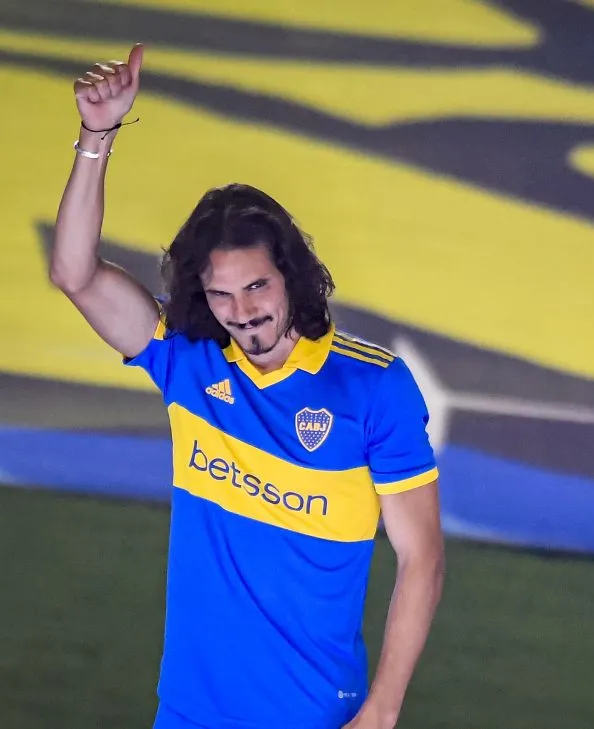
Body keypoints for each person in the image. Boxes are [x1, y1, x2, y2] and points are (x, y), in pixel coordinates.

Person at [49, 43, 446, 729]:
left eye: (257, 285)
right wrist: (96, 134)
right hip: (189, 713)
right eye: (221, 293)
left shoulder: (371, 386)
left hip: (318, 716)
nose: (244, 309)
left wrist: (382, 711)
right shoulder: (190, 361)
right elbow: (75, 275)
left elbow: (423, 556)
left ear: (290, 273)